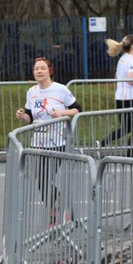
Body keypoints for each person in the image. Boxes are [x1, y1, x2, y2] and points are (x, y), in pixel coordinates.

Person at [15, 58, 81, 201]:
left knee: (47, 177)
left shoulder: (60, 89)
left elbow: (77, 109)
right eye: (36, 69)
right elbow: (30, 118)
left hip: (58, 141)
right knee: (41, 180)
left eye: (42, 68)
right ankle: (56, 206)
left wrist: (62, 113)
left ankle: (57, 209)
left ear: (49, 71)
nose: (39, 71)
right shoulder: (31, 92)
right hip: (38, 142)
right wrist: (22, 116)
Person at [98, 35, 133, 150]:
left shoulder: (122, 59)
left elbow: (118, 76)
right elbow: (130, 80)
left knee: (127, 128)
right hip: (130, 98)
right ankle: (129, 153)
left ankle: (104, 143)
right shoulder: (132, 61)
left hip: (120, 97)